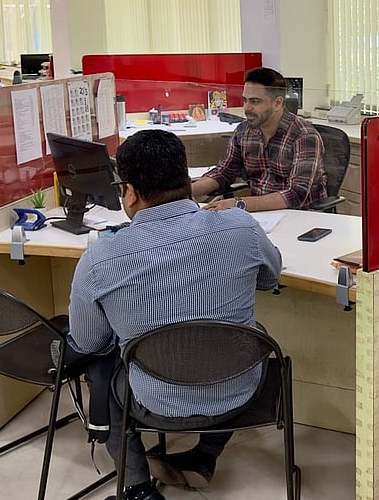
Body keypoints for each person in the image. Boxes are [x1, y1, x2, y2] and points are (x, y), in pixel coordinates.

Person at [65, 129, 281, 500]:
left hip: (156, 399)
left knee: (100, 365)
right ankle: (204, 455)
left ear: (129, 191)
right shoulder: (241, 226)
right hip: (242, 389)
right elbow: (270, 277)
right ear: (186, 179)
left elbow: (88, 341)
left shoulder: (100, 259)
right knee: (249, 332)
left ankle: (136, 489)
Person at [191, 67, 327, 211]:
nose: (247, 108)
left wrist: (239, 204)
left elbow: (296, 195)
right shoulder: (243, 131)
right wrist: (182, 193)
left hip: (301, 216)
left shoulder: (304, 136)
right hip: (260, 215)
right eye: (245, 100)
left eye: (255, 101)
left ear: (277, 103)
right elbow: (223, 173)